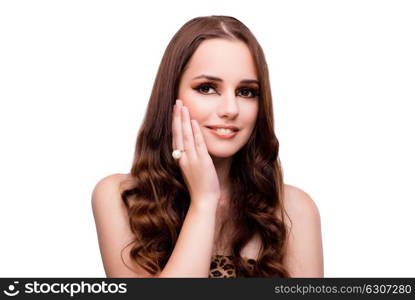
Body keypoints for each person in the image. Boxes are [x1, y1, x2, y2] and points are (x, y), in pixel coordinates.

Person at [92, 15, 324, 278]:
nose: (230, 109)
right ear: (172, 96)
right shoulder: (121, 197)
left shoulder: (293, 210)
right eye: (207, 88)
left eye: (246, 92)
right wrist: (204, 202)